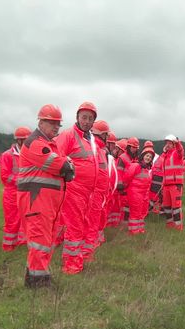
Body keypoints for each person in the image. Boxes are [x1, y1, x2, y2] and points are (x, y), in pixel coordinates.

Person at [18, 104, 73, 288]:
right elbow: (61, 166)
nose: (56, 127)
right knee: (39, 241)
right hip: (36, 201)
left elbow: (66, 169)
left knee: (46, 242)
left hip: (47, 203)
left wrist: (66, 165)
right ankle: (38, 282)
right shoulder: (35, 143)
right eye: (51, 123)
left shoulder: (51, 144)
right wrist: (66, 164)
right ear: (41, 122)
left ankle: (37, 276)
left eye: (58, 124)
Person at [56, 101, 98, 274]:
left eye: (90, 118)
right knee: (74, 226)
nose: (87, 121)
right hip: (74, 189)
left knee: (81, 224)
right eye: (84, 117)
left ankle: (78, 257)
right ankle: (71, 265)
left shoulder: (90, 139)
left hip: (87, 191)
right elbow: (58, 159)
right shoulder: (68, 135)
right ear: (77, 118)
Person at [0, 126, 32, 251]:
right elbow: (5, 177)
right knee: (12, 221)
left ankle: (22, 242)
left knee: (27, 219)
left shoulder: (30, 154)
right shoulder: (7, 155)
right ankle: (8, 246)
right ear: (19, 141)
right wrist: (21, 180)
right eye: (26, 141)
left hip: (27, 193)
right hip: (12, 194)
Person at [86, 119, 110, 255]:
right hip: (92, 193)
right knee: (89, 223)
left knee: (93, 223)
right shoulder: (93, 148)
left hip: (99, 193)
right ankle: (86, 253)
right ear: (100, 134)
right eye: (106, 134)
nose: (107, 138)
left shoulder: (100, 150)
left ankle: (88, 251)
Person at [121, 145, 154, 235]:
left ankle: (140, 230)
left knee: (142, 212)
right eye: (147, 155)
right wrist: (124, 188)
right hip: (135, 193)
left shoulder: (147, 169)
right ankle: (133, 231)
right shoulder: (136, 166)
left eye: (150, 157)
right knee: (135, 213)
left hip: (144, 194)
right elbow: (127, 178)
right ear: (143, 156)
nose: (148, 158)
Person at [160, 134, 185, 230]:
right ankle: (170, 225)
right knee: (166, 207)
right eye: (167, 143)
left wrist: (177, 142)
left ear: (174, 144)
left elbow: (181, 151)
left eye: (170, 143)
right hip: (166, 185)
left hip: (176, 185)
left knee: (176, 207)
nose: (168, 144)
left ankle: (178, 227)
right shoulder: (166, 155)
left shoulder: (177, 153)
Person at [115, 136, 139, 228]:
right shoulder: (123, 157)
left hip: (132, 187)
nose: (134, 149)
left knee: (129, 207)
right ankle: (123, 226)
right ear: (128, 147)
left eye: (136, 148)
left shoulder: (135, 158)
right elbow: (119, 172)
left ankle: (127, 225)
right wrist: (120, 185)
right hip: (124, 187)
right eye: (133, 147)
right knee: (124, 207)